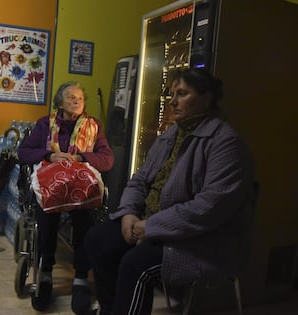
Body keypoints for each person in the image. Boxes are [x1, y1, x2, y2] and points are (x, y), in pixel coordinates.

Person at [84, 68, 255, 315]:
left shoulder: (226, 144)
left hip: (199, 239)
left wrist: (151, 225)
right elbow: (140, 180)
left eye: (182, 93)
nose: (172, 101)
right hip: (154, 225)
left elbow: (209, 208)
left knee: (136, 264)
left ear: (207, 99)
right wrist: (129, 213)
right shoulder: (172, 134)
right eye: (171, 93)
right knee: (97, 240)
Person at [18, 81, 114, 314]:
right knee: (48, 215)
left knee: (86, 219)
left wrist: (81, 158)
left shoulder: (94, 126)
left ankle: (81, 278)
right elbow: (23, 152)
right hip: (52, 185)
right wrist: (49, 156)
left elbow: (107, 159)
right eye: (71, 97)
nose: (76, 101)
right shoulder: (44, 124)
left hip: (80, 187)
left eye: (80, 98)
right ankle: (46, 273)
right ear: (59, 102)